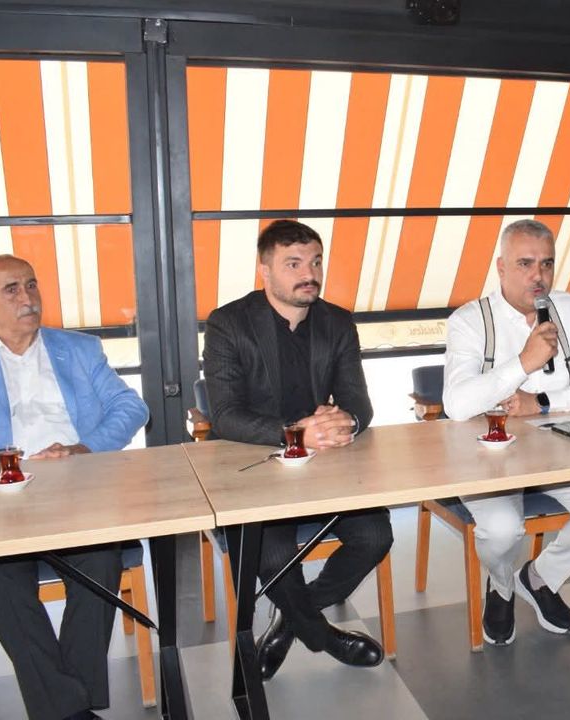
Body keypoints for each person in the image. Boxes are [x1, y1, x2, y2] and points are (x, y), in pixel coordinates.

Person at [0, 255, 149, 720]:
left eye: (31, 285)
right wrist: (15, 468)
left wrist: (84, 448)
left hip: (78, 494)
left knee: (101, 560)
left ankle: (65, 709)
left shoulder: (79, 349)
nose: (27, 297)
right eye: (11, 289)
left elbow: (131, 408)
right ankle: (72, 710)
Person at [203, 220, 392, 679]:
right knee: (272, 557)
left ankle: (292, 618)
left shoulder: (336, 322)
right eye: (293, 264)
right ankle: (322, 635)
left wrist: (345, 421)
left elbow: (359, 402)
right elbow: (225, 416)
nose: (310, 274)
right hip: (253, 464)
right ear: (265, 270)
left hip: (325, 464)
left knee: (375, 536)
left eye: (315, 262)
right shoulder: (229, 323)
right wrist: (296, 434)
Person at [443, 218, 570, 645]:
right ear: (501, 267)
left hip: (559, 449)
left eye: (546, 263)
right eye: (525, 263)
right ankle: (502, 584)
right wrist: (524, 363)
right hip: (488, 455)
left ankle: (539, 576)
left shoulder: (569, 309)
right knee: (503, 529)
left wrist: (540, 402)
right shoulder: (470, 320)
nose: (537, 275)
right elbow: (457, 405)